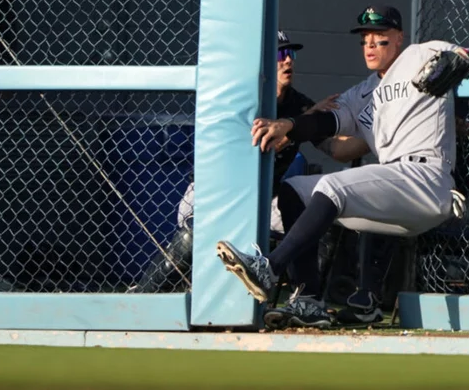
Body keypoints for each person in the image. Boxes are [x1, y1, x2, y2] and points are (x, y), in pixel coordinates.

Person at [216, 5, 469, 329]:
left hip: (427, 178)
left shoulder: (424, 54)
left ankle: (268, 269)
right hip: (394, 184)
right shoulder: (363, 92)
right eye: (365, 37)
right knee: (295, 190)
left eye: (380, 36)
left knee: (332, 186)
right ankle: (309, 299)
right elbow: (327, 125)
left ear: (399, 38)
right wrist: (290, 124)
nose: (370, 43)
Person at [128, 30, 353, 292]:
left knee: (323, 221)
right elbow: (260, 147)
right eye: (280, 55)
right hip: (214, 195)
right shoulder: (245, 100)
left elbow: (333, 147)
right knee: (196, 231)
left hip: (265, 202)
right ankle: (146, 293)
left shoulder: (300, 104)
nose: (288, 61)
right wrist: (302, 123)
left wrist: (359, 127)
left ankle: (304, 300)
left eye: (290, 54)